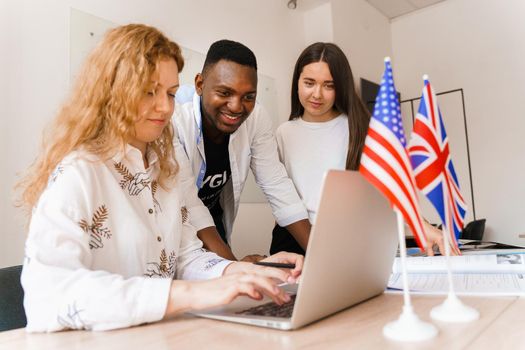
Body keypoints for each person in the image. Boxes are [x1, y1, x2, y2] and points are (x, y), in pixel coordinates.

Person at [16, 24, 302, 332]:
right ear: (113, 90)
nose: (166, 108)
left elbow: (187, 257)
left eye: (171, 93)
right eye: (149, 92)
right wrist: (189, 293)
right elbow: (49, 296)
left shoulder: (163, 173)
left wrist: (245, 272)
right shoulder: (79, 173)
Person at [270, 42, 458, 256]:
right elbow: (281, 196)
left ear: (340, 87)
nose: (317, 94)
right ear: (297, 82)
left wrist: (420, 225)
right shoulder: (283, 133)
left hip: (345, 237)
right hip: (294, 238)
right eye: (309, 83)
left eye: (329, 85)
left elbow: (388, 186)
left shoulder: (357, 127)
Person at [173, 40, 311, 261]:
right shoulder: (174, 117)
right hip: (175, 218)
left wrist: (320, 257)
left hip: (213, 221)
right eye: (224, 92)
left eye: (249, 97)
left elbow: (276, 183)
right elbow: (188, 202)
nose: (236, 106)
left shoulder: (257, 118)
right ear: (200, 84)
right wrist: (237, 269)